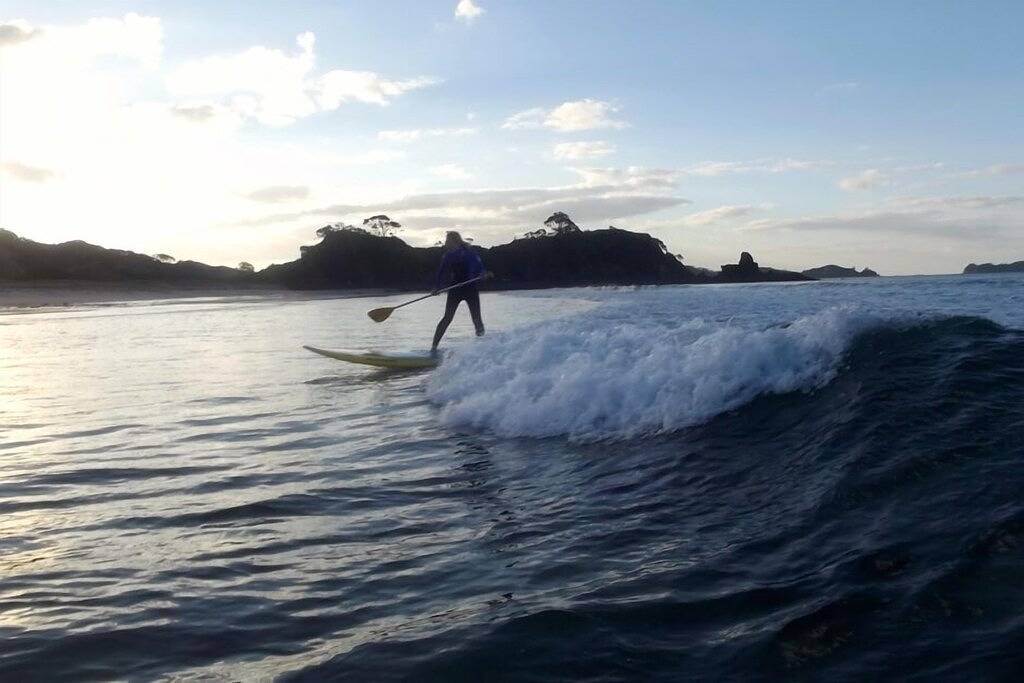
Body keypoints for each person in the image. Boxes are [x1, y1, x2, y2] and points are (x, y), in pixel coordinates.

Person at [431, 231, 488, 351]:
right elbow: (441, 273)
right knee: (447, 318)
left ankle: (483, 347)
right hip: (455, 289)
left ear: (454, 241)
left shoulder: (470, 253)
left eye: (447, 240)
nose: (445, 243)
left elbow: (480, 267)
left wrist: (482, 274)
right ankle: (433, 348)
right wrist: (437, 287)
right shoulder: (448, 256)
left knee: (476, 318)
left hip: (470, 288)